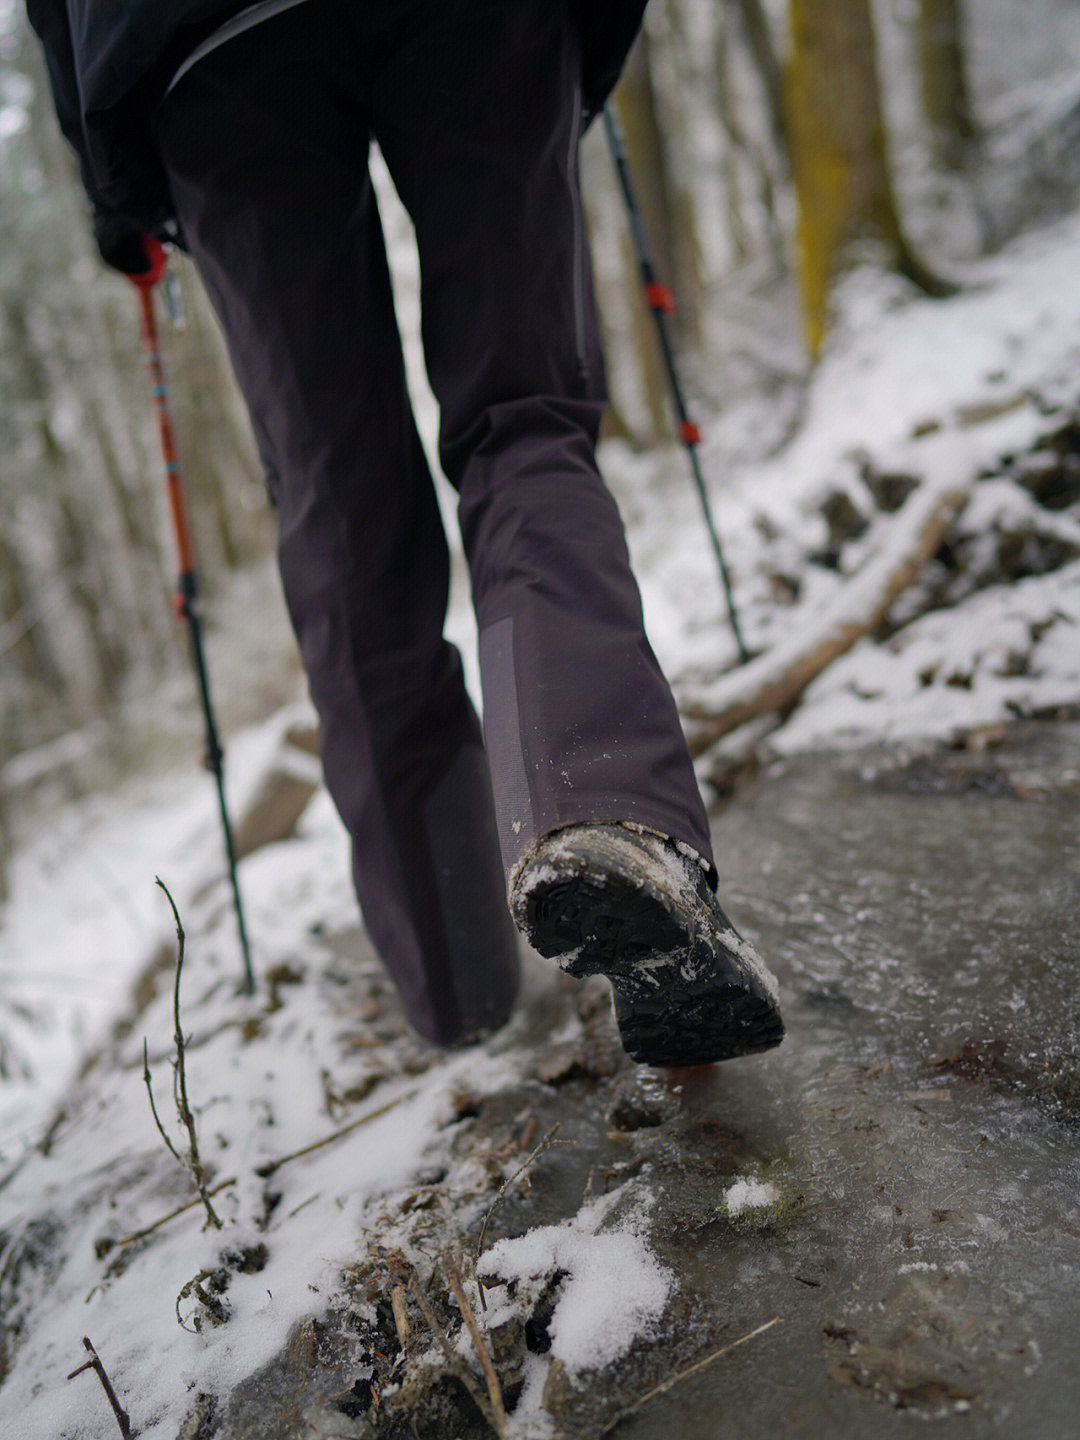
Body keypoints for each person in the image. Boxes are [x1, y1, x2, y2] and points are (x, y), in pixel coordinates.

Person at [26, 0, 784, 1066]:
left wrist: (111, 179)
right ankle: (604, 805)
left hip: (197, 48)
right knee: (523, 420)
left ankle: (458, 983)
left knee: (340, 513)